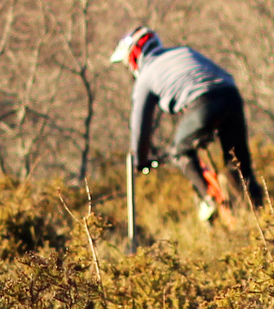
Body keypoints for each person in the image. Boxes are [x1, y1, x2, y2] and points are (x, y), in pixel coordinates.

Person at [110, 26, 264, 222]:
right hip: (230, 94)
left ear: (133, 59)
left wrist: (140, 161)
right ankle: (262, 220)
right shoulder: (183, 51)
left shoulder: (145, 77)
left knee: (180, 152)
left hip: (202, 103)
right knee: (239, 167)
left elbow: (140, 127)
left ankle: (208, 201)